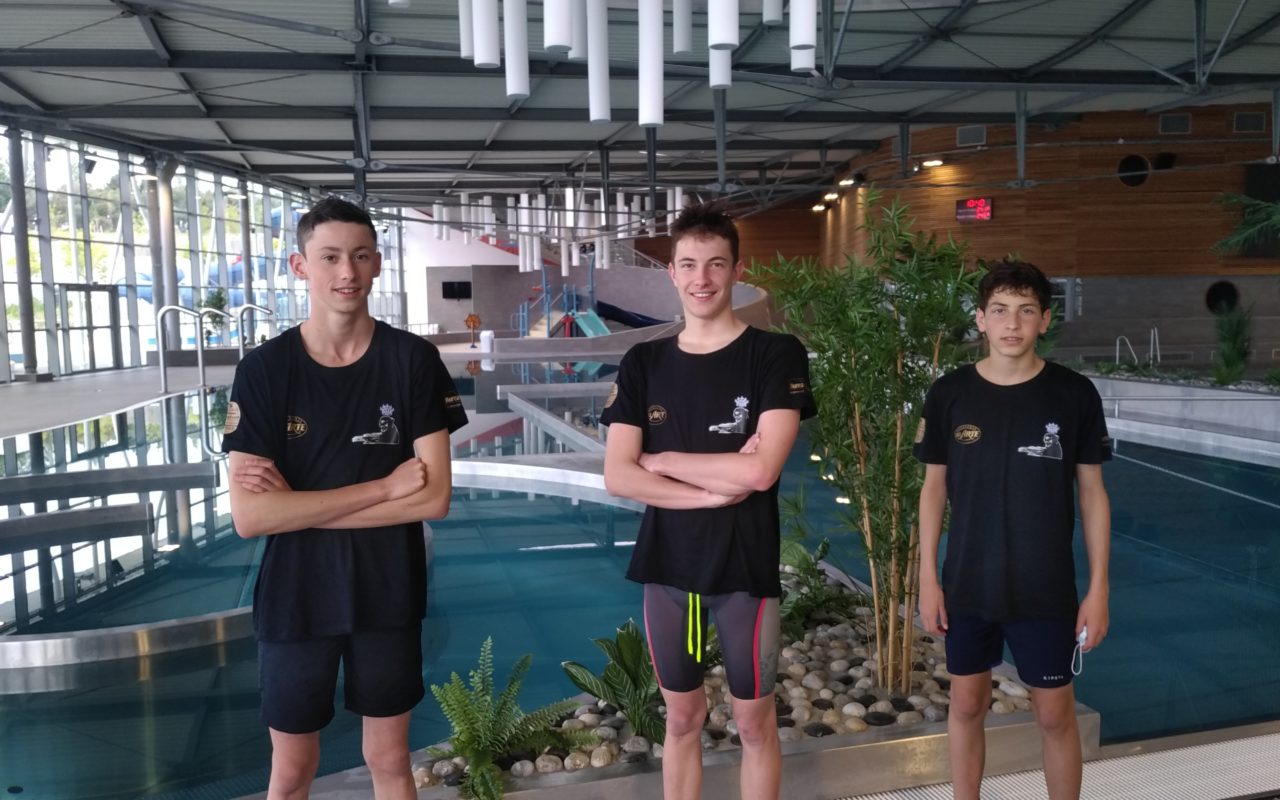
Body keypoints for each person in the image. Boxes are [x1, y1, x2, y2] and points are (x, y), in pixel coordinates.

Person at [222, 197, 467, 800]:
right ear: (299, 265)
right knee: (292, 769)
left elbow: (434, 499)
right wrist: (383, 488)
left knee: (389, 759)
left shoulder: (412, 361)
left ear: (378, 263)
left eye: (360, 256)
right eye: (329, 257)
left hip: (388, 589)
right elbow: (251, 517)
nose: (347, 272)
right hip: (295, 596)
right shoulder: (264, 371)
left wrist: (298, 510)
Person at [601, 201, 816, 800]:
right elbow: (618, 475)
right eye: (690, 265)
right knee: (682, 720)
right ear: (672, 273)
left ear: (737, 271)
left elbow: (763, 470)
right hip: (670, 571)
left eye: (716, 264)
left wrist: (665, 461)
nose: (702, 279)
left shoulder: (775, 354)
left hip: (745, 571)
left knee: (754, 723)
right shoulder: (644, 362)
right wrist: (714, 492)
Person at [914, 261, 1112, 800]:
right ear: (980, 319)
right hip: (968, 582)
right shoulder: (950, 393)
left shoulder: (1073, 394)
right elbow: (933, 490)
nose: (1012, 323)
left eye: (1026, 311)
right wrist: (927, 579)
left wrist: (1098, 589)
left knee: (1054, 714)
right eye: (1000, 310)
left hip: (1044, 586)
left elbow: (1093, 494)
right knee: (966, 704)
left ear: (1045, 320)